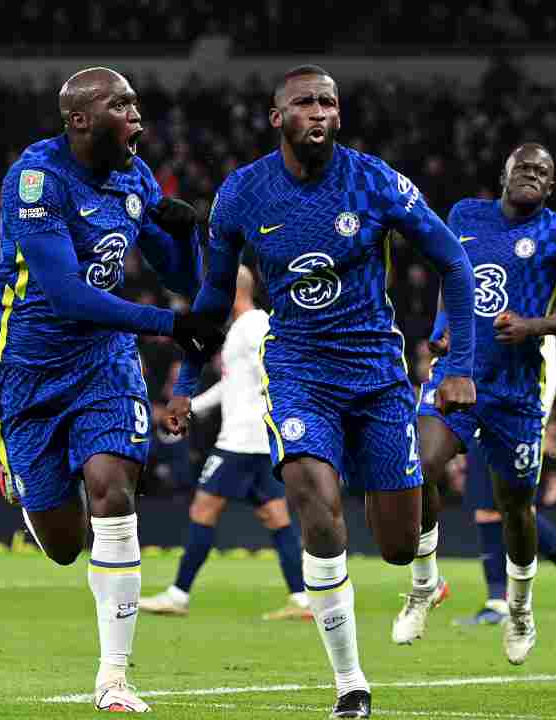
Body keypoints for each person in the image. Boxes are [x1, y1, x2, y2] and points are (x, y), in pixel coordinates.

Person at [164, 64, 478, 719]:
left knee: (394, 540)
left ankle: (423, 572)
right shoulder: (241, 195)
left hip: (375, 374)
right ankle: (350, 685)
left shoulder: (375, 181)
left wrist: (460, 364)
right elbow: (215, 298)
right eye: (306, 102)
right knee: (316, 507)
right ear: (277, 117)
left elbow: (453, 260)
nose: (320, 113)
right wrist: (185, 384)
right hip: (301, 373)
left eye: (329, 103)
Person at [0, 66, 221, 714]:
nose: (138, 117)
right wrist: (171, 327)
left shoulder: (135, 175)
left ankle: (114, 679)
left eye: (138, 105)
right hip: (29, 369)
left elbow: (178, 274)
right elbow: (66, 295)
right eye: (123, 106)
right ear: (81, 119)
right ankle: (25, 483)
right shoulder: (36, 179)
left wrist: (185, 228)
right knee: (64, 547)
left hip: (103, 362)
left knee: (113, 488)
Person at [408, 143, 556, 663]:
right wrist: (442, 331)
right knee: (419, 463)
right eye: (524, 167)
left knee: (514, 506)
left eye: (543, 171)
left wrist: (535, 326)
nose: (532, 175)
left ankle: (519, 607)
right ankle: (425, 581)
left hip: (516, 390)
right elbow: (450, 274)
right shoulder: (465, 215)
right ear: (504, 174)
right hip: (459, 374)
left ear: (552, 185)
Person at [140, 265, 313, 622]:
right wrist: (193, 407)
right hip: (255, 441)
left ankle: (178, 594)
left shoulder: (254, 326)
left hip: (240, 442)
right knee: (276, 516)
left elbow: (275, 370)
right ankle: (301, 598)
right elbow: (232, 385)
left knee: (203, 509)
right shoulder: (241, 329)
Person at [449, 355, 556, 629]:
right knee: (485, 506)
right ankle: (497, 602)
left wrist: (537, 413)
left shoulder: (532, 312)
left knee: (514, 505)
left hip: (520, 406)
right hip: (482, 401)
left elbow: (545, 359)